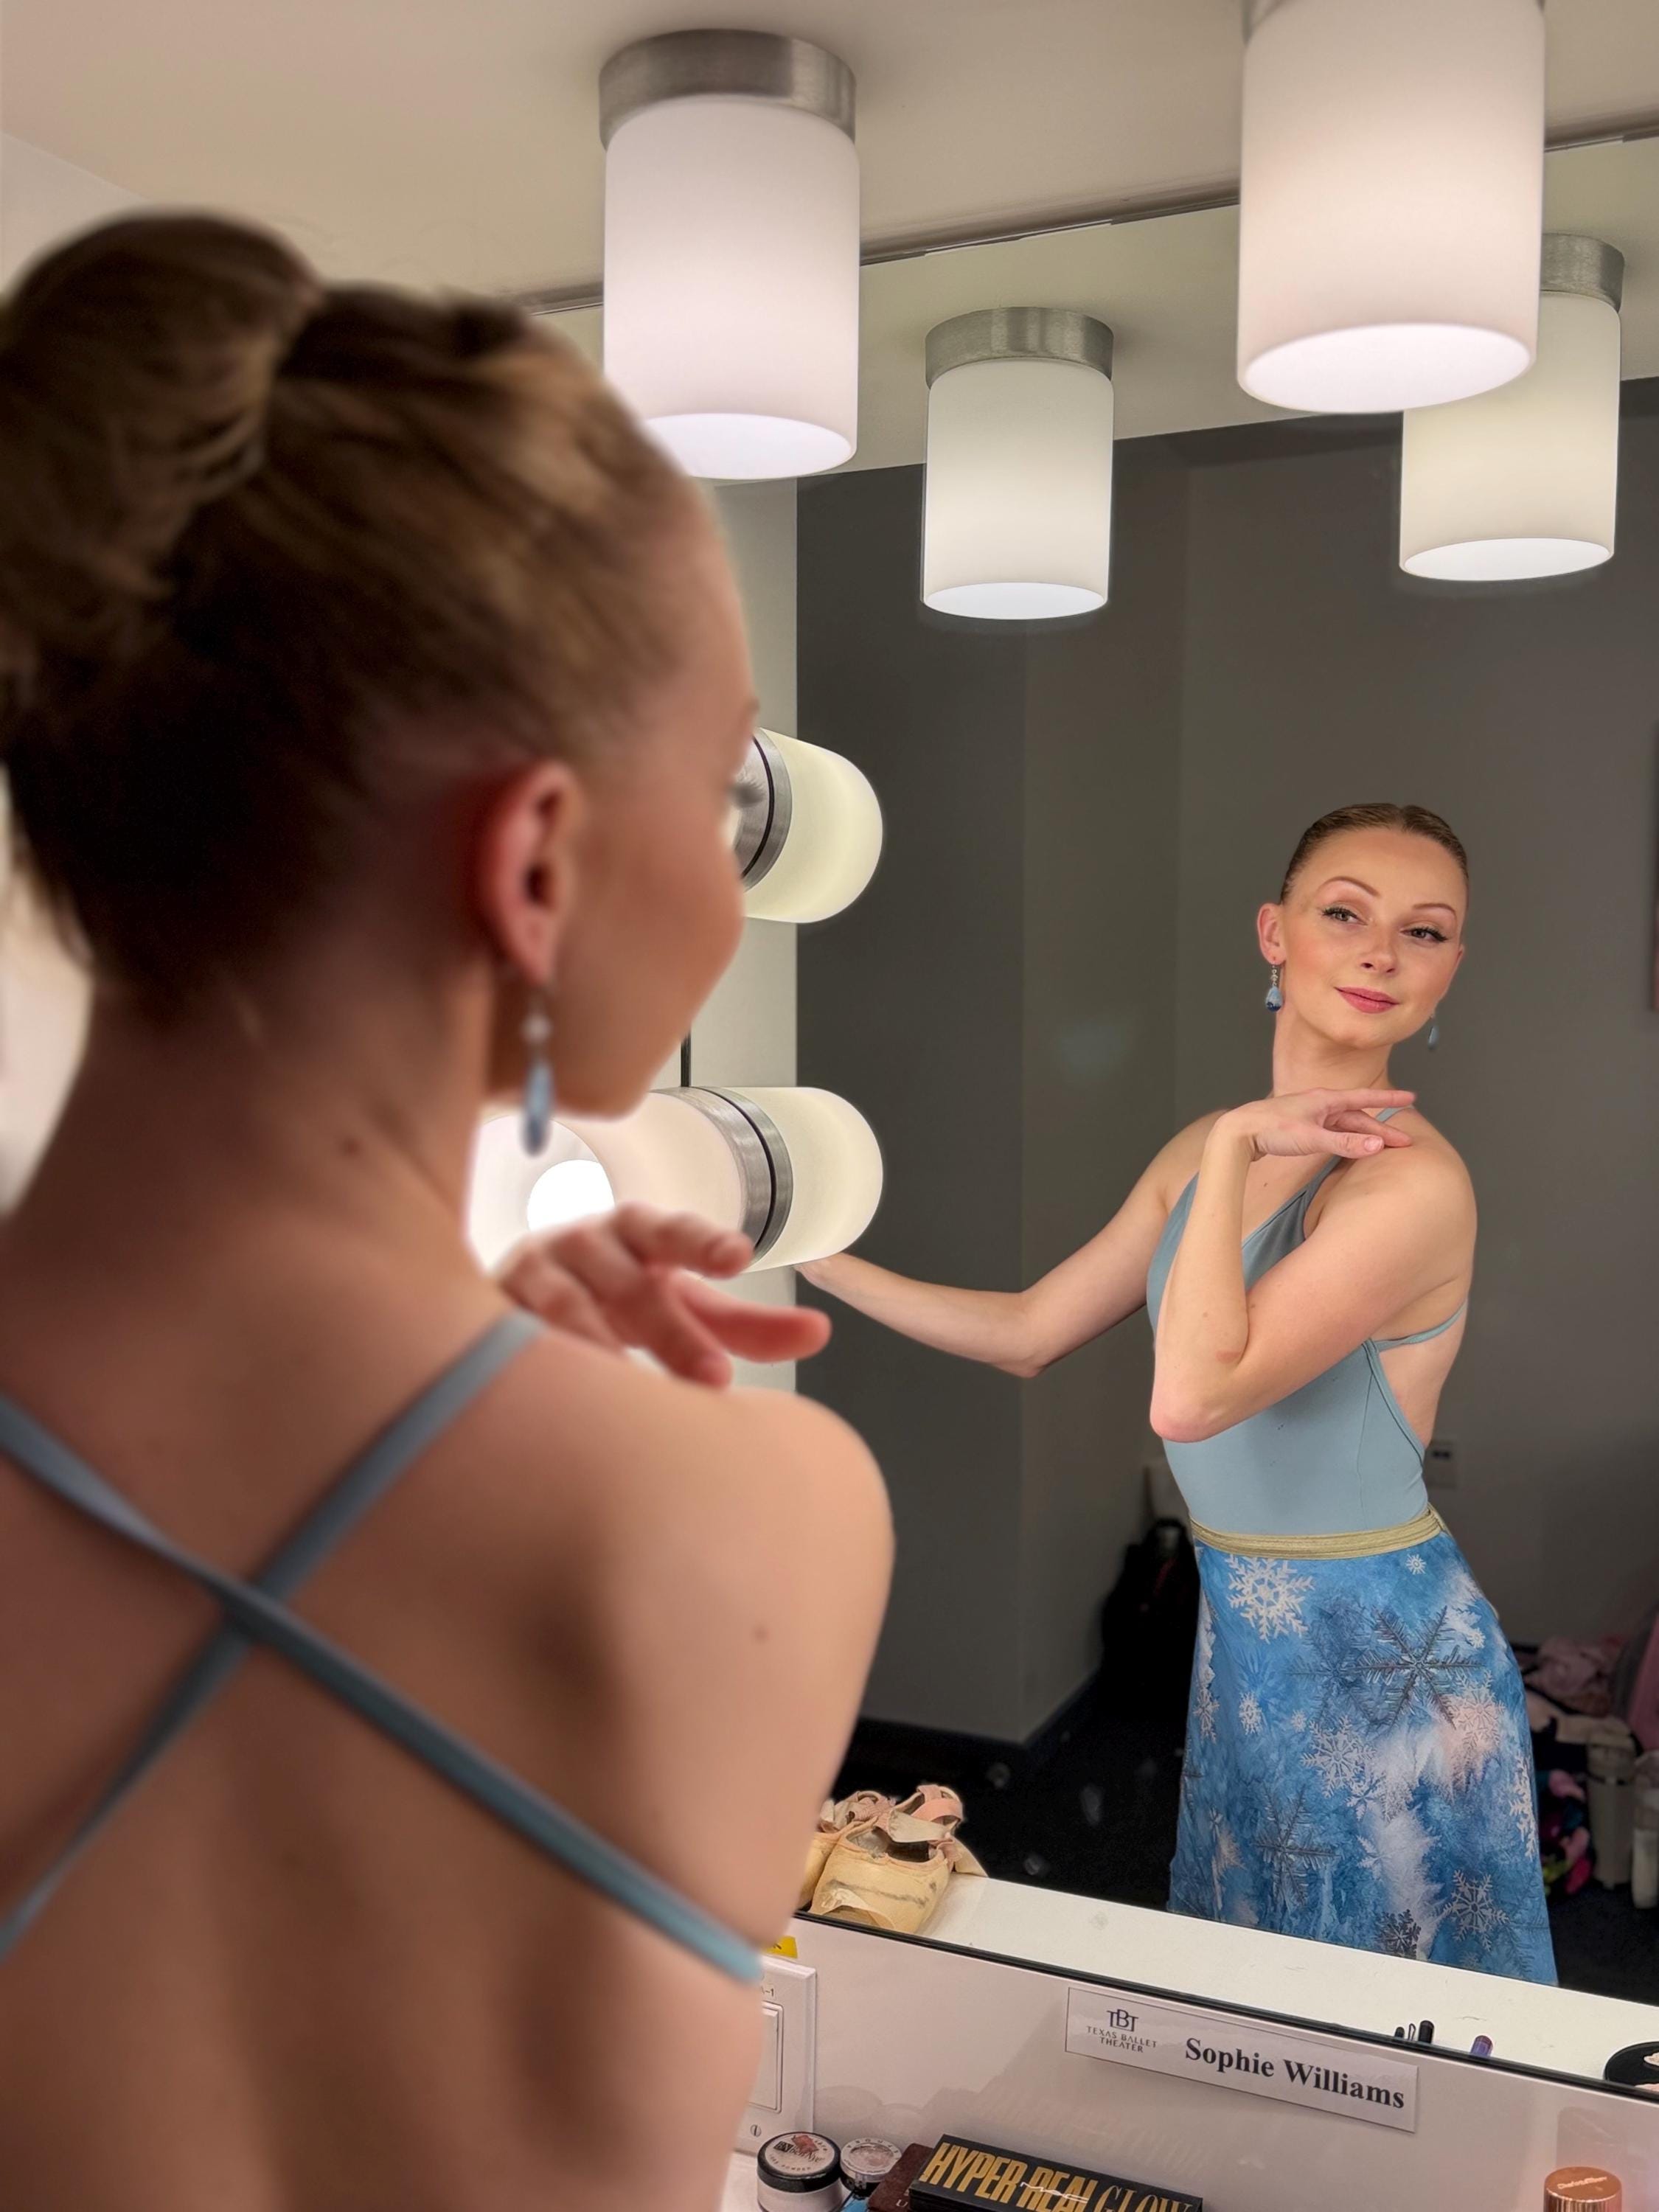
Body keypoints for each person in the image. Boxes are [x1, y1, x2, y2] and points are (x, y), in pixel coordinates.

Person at [0, 212, 892, 2209]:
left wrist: (489, 1345)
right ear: (539, 864)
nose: (732, 879)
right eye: (726, 791)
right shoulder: (762, 1524)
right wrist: (510, 1380)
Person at [807, 803, 1554, 1983]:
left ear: (1448, 968)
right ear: (1273, 933)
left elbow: (1191, 1401)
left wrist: (1229, 1153)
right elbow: (1027, 1332)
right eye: (1344, 913)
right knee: (1245, 2012)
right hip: (1244, 1647)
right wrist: (802, 1253)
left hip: (1387, 1668)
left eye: (1422, 932)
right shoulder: (1208, 1145)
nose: (1379, 952)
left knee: (1384, 2034)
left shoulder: (1407, 1189)